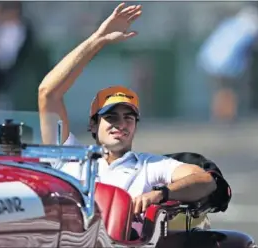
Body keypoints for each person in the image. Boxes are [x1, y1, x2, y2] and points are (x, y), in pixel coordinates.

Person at [38, 3, 221, 239]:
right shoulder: (68, 156)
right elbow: (48, 93)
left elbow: (205, 181)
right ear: (93, 125)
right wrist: (97, 40)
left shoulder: (149, 166)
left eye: (128, 117)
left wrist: (160, 194)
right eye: (110, 117)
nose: (120, 124)